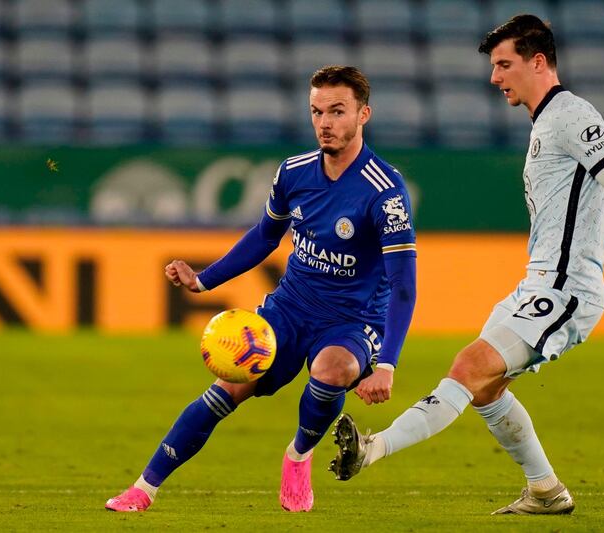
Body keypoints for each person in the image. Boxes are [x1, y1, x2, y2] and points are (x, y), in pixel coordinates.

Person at [329, 15, 604, 516]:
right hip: (538, 283)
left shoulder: (572, 114)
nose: (495, 77)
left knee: (468, 367)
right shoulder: (546, 121)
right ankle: (546, 491)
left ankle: (372, 448)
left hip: (566, 289)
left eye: (504, 64)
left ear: (538, 62)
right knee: (487, 390)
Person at [105, 66, 417, 513]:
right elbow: (264, 236)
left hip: (355, 318)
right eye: (316, 112)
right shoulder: (293, 173)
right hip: (290, 307)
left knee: (332, 371)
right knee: (225, 390)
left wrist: (386, 363)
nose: (325, 123)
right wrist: (203, 278)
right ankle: (143, 488)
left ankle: (299, 455)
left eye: (337, 111)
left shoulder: (384, 191)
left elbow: (404, 283)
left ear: (363, 114)